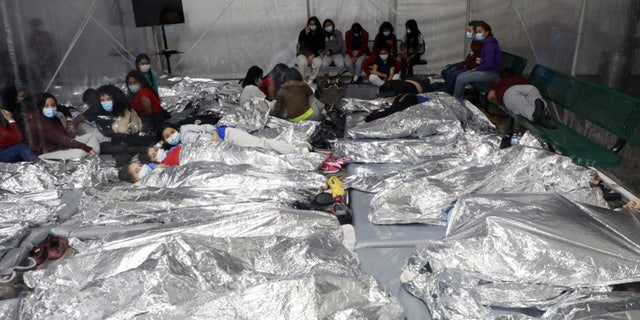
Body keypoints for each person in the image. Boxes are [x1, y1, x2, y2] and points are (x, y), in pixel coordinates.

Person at [24, 93, 99, 160]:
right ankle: (89, 157)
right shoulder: (39, 122)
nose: (50, 108)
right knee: (81, 152)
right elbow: (63, 139)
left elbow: (64, 137)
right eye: (46, 106)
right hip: (46, 155)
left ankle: (87, 158)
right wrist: (88, 149)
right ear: (41, 108)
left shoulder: (54, 118)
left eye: (53, 105)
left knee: (91, 136)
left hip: (61, 148)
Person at [487, 69, 556, 129]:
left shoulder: (498, 83)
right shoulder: (520, 78)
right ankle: (542, 112)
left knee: (522, 105)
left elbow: (491, 96)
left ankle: (534, 115)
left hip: (508, 92)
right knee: (533, 96)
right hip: (528, 87)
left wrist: (497, 100)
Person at [453, 21, 501, 99]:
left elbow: (488, 64)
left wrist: (477, 68)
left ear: (487, 32)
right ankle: (457, 99)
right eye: (477, 32)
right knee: (460, 76)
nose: (477, 34)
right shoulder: (486, 43)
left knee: (461, 79)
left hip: (492, 74)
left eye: (480, 32)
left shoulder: (490, 45)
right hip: (486, 71)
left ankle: (457, 102)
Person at [439, 20, 484, 94]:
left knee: (452, 73)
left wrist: (465, 65)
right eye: (467, 30)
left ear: (476, 32)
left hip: (473, 68)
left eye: (470, 31)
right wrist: (464, 63)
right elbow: (470, 56)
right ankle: (450, 89)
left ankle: (446, 93)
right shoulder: (474, 42)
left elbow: (478, 64)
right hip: (468, 64)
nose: (468, 33)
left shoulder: (480, 45)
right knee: (446, 70)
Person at [296, 17, 325, 84]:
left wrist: (313, 54)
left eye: (314, 24)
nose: (312, 26)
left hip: (314, 54)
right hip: (303, 53)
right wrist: (307, 34)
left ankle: (311, 79)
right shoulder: (303, 32)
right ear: (308, 24)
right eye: (310, 24)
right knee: (302, 62)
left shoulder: (320, 33)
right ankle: (302, 81)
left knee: (318, 62)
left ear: (317, 24)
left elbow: (320, 46)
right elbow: (301, 44)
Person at [364, 93, 429, 122]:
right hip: (408, 99)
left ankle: (372, 116)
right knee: (392, 110)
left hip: (406, 99)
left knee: (392, 110)